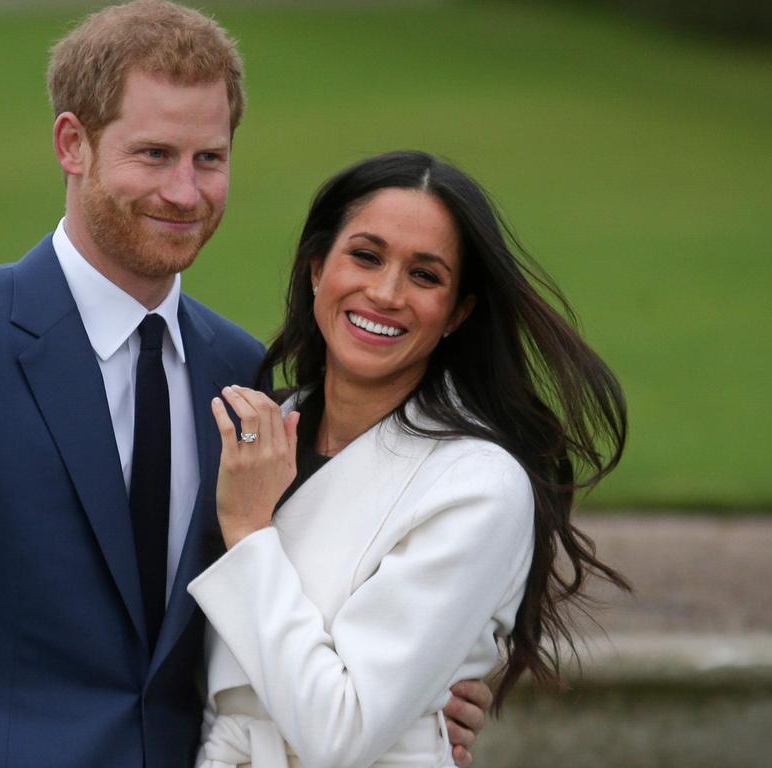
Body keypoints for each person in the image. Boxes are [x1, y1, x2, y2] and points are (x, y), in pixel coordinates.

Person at [0, 4, 489, 767]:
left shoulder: (243, 374)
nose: (184, 191)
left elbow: (288, 593)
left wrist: (420, 687)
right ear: (72, 144)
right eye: (154, 154)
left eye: (208, 158)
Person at [188, 150, 630, 768]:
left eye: (426, 276)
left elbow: (341, 733)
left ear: (458, 312)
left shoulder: (477, 484)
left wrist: (250, 531)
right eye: (365, 256)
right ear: (318, 268)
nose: (386, 292)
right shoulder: (258, 432)